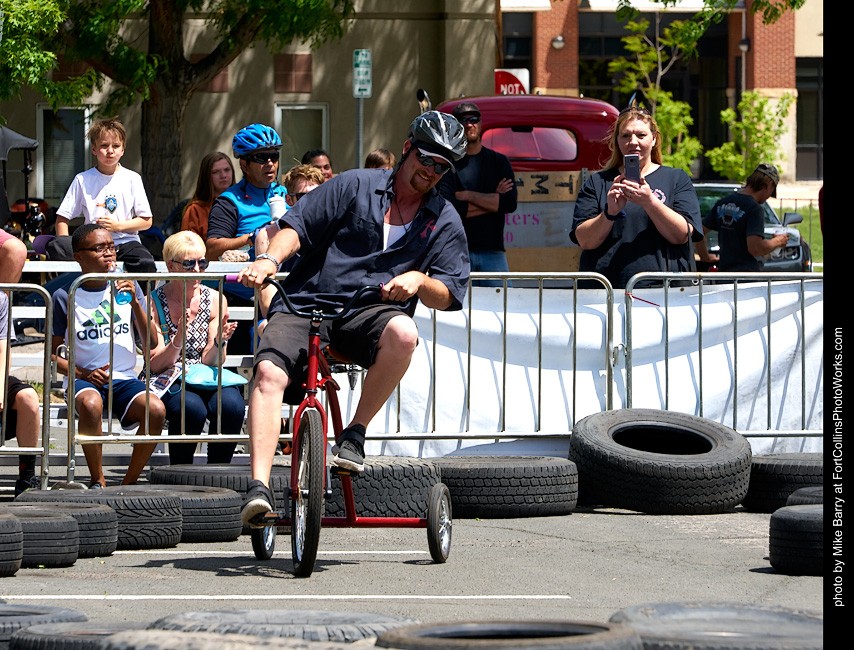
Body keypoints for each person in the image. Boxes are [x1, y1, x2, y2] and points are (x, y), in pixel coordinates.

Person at [237, 110, 469, 525]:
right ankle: (259, 489)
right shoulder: (354, 185)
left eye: (442, 167)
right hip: (309, 301)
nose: (431, 171)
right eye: (426, 158)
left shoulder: (444, 217)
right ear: (407, 149)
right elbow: (296, 226)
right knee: (268, 373)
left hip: (368, 312)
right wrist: (269, 260)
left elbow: (450, 291)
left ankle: (355, 435)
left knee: (405, 332)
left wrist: (419, 280)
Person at [51, 223, 165, 488]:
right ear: (79, 256)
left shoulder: (129, 287)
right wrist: (83, 373)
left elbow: (151, 342)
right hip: (84, 380)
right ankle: (98, 480)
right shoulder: (64, 295)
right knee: (91, 404)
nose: (108, 254)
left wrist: (136, 303)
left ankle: (128, 483)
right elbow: (52, 357)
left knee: (156, 410)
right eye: (99, 248)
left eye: (112, 248)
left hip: (123, 378)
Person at [570, 106, 702, 289]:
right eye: (626, 135)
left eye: (641, 135)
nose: (633, 142)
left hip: (663, 292)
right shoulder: (597, 182)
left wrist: (650, 202)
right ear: (617, 141)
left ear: (654, 139)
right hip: (606, 293)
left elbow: (682, 235)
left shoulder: (676, 178)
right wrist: (609, 213)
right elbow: (585, 241)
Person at [145, 231, 244, 465]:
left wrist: (219, 341)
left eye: (203, 263)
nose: (198, 270)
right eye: (189, 264)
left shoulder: (216, 299)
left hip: (204, 372)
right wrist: (179, 338)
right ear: (171, 266)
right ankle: (180, 470)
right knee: (191, 408)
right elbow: (155, 364)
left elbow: (212, 360)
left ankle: (218, 472)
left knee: (232, 405)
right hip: (168, 375)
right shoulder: (153, 301)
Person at [205, 123, 288, 352]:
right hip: (242, 297)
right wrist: (250, 238)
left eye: (273, 156)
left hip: (284, 291)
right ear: (244, 164)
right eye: (261, 157)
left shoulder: (283, 194)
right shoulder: (229, 201)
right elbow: (211, 248)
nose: (270, 163)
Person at [51, 118, 158, 275]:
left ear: (123, 149)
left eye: (116, 146)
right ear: (94, 149)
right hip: (93, 245)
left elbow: (146, 221)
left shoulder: (133, 178)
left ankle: (138, 293)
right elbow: (62, 219)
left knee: (146, 263)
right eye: (104, 146)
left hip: (126, 242)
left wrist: (118, 226)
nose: (110, 151)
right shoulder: (82, 179)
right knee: (59, 249)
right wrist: (67, 248)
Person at [437, 101, 517, 286]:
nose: (469, 124)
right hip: (457, 252)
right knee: (455, 305)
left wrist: (467, 195)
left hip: (493, 253)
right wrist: (493, 202)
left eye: (473, 119)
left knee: (505, 302)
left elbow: (509, 203)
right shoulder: (447, 165)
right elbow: (449, 209)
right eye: (463, 120)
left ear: (480, 123)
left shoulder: (499, 162)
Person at [253, 163, 326, 329]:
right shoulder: (267, 236)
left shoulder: (334, 232)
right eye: (302, 197)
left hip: (323, 313)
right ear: (289, 200)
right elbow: (267, 304)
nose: (311, 202)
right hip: (281, 315)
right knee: (270, 327)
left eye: (317, 195)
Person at [699, 163, 788, 272]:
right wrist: (778, 241)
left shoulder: (723, 203)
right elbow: (755, 248)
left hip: (724, 275)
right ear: (768, 185)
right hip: (746, 277)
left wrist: (705, 257)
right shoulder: (754, 209)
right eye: (772, 191)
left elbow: (699, 232)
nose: (769, 196)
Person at [0, 290, 43, 495]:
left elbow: (3, 350)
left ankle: (26, 478)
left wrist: (0, 391)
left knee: (28, 397)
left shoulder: (1, 299)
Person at [180, 152, 235, 239]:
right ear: (206, 176)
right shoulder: (195, 210)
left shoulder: (244, 202)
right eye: (215, 172)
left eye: (227, 170)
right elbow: (188, 244)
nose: (223, 175)